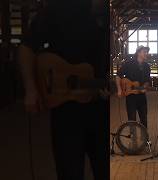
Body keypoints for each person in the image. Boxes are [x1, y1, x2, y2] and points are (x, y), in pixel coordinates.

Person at [18, 0, 108, 179]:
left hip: (104, 111)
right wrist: (31, 89)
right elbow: (26, 47)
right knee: (70, 172)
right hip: (67, 112)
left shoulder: (113, 16)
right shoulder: (58, 9)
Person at [116, 46, 151, 128]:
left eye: (147, 52)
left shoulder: (147, 66)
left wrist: (145, 86)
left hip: (142, 97)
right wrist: (119, 90)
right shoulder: (129, 63)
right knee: (132, 120)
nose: (146, 54)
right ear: (138, 52)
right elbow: (118, 76)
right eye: (144, 52)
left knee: (144, 120)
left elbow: (147, 81)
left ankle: (145, 140)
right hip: (131, 97)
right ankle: (133, 140)